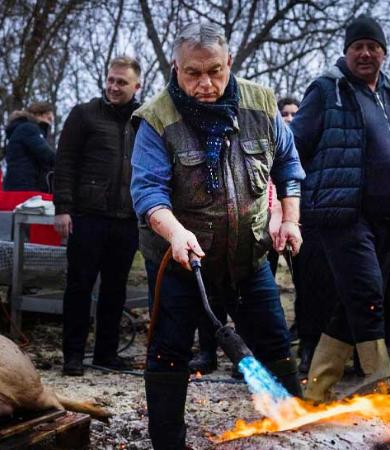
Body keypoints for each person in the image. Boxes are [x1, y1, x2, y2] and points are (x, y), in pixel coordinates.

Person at [130, 23, 305, 450]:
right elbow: (147, 191)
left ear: (229, 63)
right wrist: (175, 232)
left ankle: (296, 435)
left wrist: (290, 221)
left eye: (214, 71)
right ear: (175, 67)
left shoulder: (261, 104)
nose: (205, 84)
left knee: (276, 346)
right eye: (192, 73)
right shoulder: (156, 119)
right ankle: (168, 443)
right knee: (169, 352)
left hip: (249, 258)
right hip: (180, 260)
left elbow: (288, 165)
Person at [289, 15, 390, 402]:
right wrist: (287, 208)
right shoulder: (326, 91)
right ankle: (384, 392)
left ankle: (317, 391)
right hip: (343, 216)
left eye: (373, 46)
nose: (366, 53)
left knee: (350, 302)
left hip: (388, 218)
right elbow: (291, 148)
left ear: (384, 52)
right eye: (358, 46)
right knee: (369, 296)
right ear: (346, 51)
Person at [53, 56, 142, 376]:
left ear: (137, 86)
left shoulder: (143, 120)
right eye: (111, 80)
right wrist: (62, 208)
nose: (114, 87)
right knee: (79, 286)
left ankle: (106, 353)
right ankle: (73, 356)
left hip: (127, 219)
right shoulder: (84, 115)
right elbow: (64, 163)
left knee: (115, 290)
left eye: (122, 82)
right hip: (87, 216)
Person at [3, 102, 56, 192]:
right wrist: (65, 161)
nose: (50, 119)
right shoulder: (29, 129)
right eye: (48, 115)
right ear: (38, 114)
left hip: (20, 185)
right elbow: (46, 154)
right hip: (25, 187)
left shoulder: (26, 129)